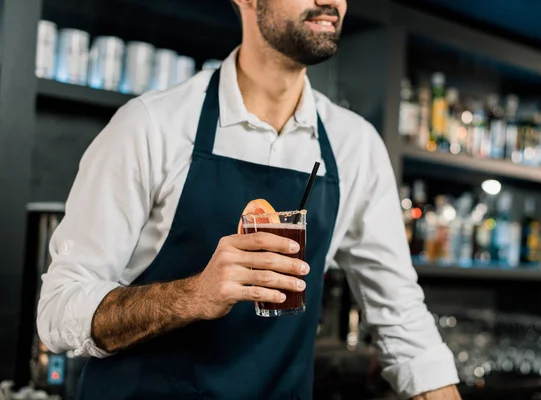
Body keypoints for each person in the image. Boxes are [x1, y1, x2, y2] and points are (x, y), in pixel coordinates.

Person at [37, 0, 461, 399]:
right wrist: (193, 295)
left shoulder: (356, 146)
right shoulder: (152, 126)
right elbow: (58, 312)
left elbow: (403, 321)